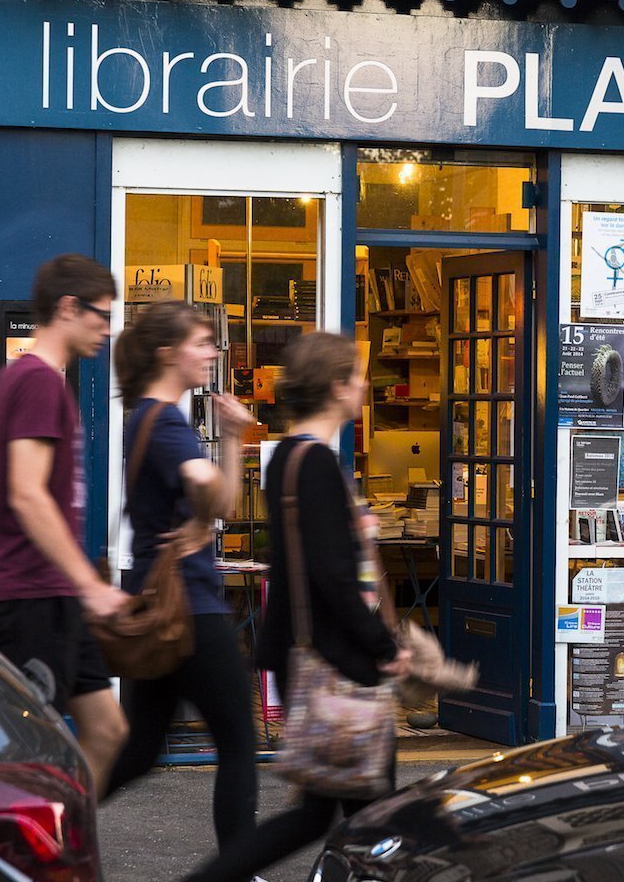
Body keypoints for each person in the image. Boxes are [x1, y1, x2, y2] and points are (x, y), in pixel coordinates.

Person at [187, 331, 410, 882]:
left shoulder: (286, 457)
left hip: (309, 657)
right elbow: (331, 576)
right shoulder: (312, 465)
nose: (363, 384)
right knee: (374, 818)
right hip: (338, 663)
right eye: (356, 375)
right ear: (336, 387)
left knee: (326, 815)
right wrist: (385, 647)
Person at [102, 301, 260, 851]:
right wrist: (234, 437)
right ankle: (239, 867)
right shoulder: (166, 421)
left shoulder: (140, 417)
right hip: (189, 608)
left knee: (141, 749)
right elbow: (220, 498)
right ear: (168, 353)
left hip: (160, 604)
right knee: (239, 741)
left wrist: (203, 511)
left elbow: (216, 507)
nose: (211, 352)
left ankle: (46, 821)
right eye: (201, 342)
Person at [0, 253, 129, 794]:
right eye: (100, 315)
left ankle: (58, 847)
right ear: (68, 307)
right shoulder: (38, 381)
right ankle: (22, 855)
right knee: (33, 752)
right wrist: (90, 585)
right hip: (32, 592)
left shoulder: (41, 380)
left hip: (54, 589)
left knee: (107, 730)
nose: (106, 330)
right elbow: (27, 492)